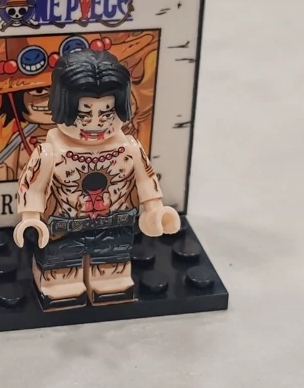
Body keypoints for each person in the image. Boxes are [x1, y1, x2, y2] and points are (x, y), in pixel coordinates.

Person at [14, 48, 180, 310]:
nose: (96, 124)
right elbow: (32, 187)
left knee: (112, 263)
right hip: (64, 227)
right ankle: (59, 285)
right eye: (83, 114)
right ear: (63, 107)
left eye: (107, 113)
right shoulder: (49, 153)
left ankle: (111, 282)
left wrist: (155, 209)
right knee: (61, 266)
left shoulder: (129, 148)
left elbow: (146, 181)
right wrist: (31, 218)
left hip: (115, 223)